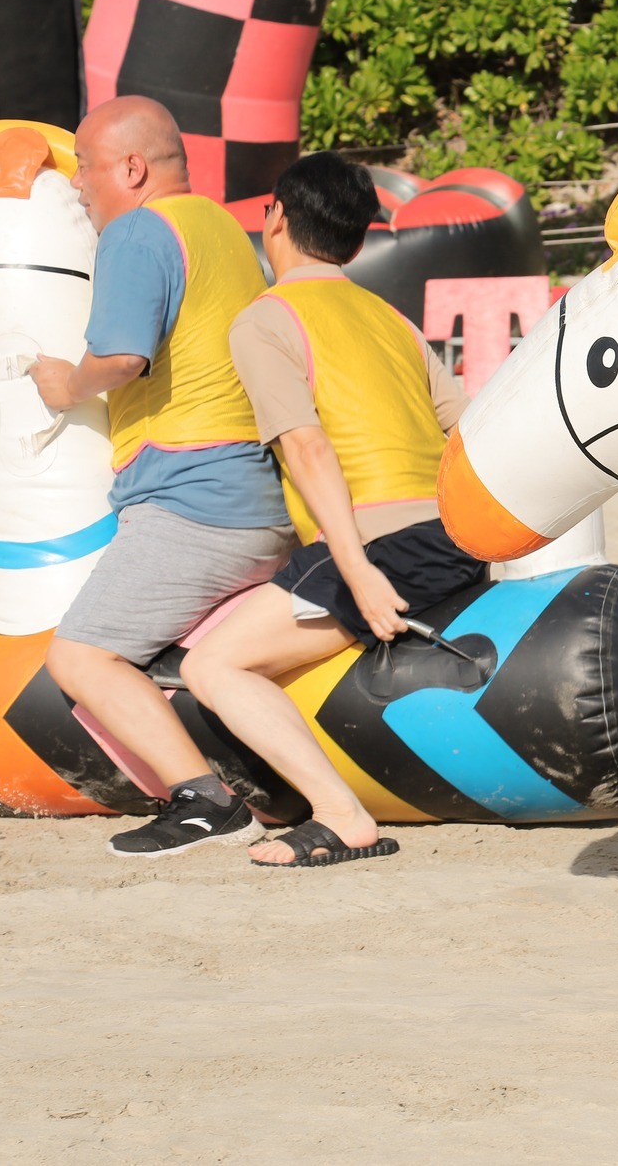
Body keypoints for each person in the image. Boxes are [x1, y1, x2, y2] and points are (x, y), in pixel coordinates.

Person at [180, 152, 481, 867]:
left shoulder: (265, 320)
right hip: (452, 538)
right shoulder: (393, 318)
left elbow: (308, 448)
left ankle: (342, 816)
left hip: (380, 546)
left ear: (275, 219)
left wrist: (357, 571)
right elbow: (468, 431)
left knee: (213, 667)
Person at [32, 97, 293, 859]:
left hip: (194, 502)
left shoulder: (137, 231)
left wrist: (65, 386)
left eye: (84, 165)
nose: (77, 183)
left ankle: (205, 800)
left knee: (79, 655)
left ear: (132, 168)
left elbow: (121, 357)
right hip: (258, 496)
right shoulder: (223, 230)